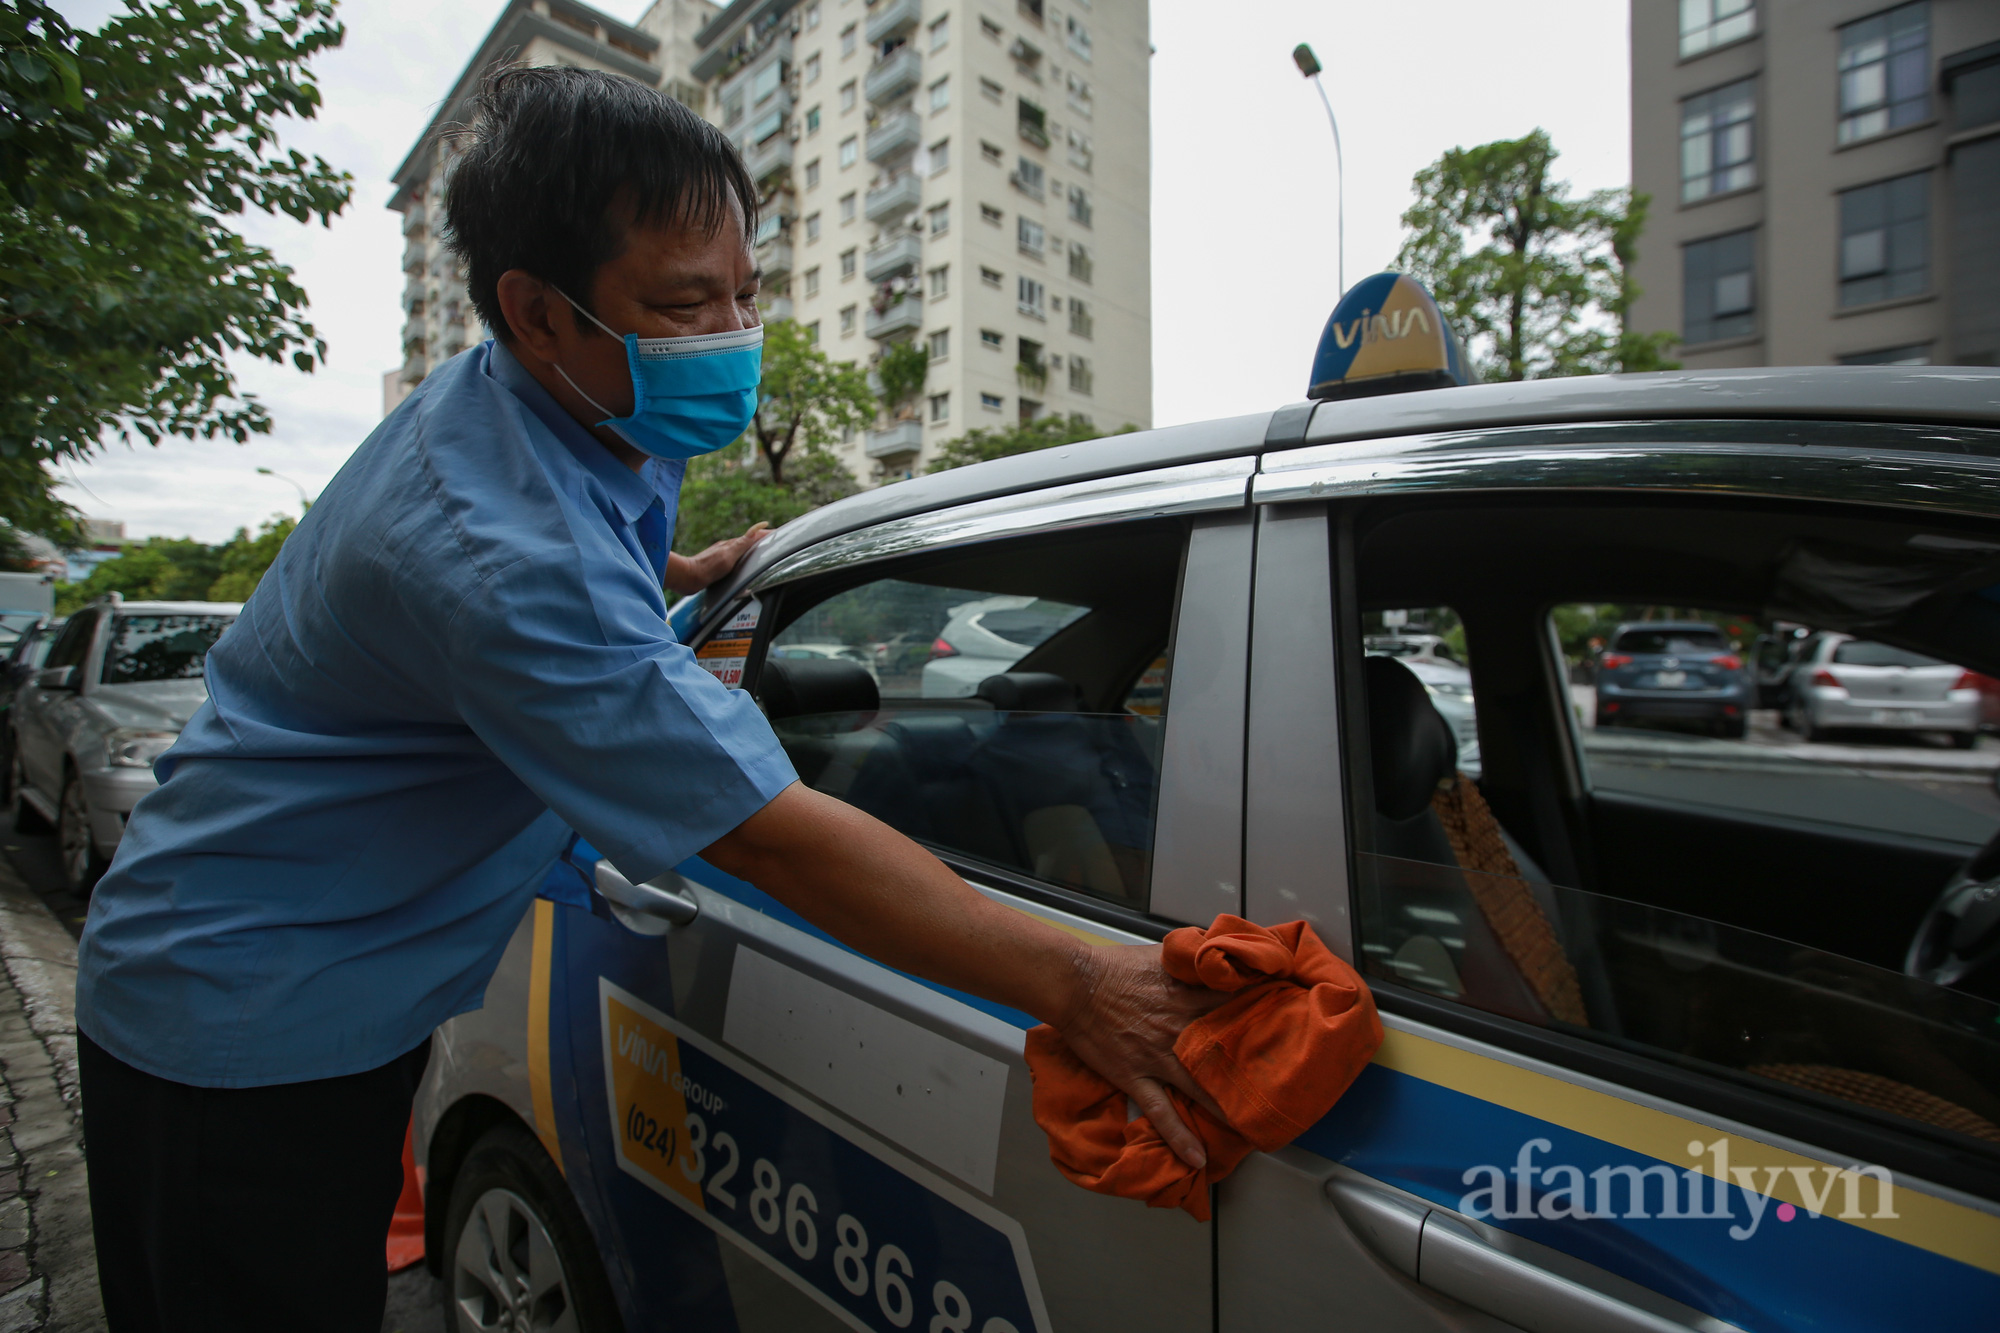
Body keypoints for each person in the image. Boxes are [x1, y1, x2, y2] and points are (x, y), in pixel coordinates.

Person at [73, 66, 1223, 1330]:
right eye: (685, 304)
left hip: (346, 981)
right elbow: (762, 831)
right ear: (535, 312)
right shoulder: (499, 555)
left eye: (745, 293)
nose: (731, 334)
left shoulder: (594, 410)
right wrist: (1078, 983)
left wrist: (674, 574)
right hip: (239, 1008)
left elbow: (586, 558)